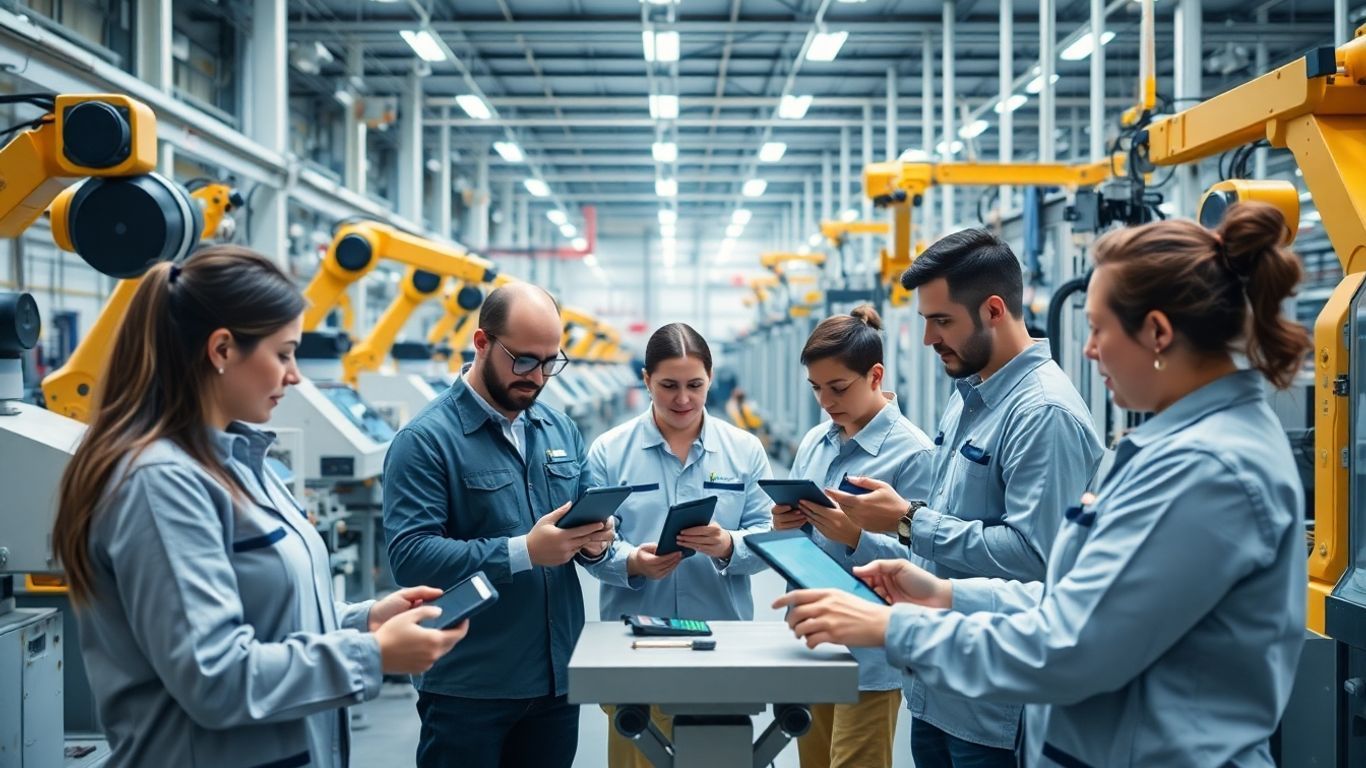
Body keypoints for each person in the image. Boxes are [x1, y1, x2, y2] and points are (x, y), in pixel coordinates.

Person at [776, 203, 1311, 766]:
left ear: (1157, 332)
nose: (1088, 350)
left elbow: (1072, 642)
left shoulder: (1207, 469)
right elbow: (1071, 595)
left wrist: (895, 626)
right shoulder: (1178, 448)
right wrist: (945, 594)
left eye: (1099, 329)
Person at [53, 246, 465, 768]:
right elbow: (214, 677)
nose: (295, 376)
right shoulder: (161, 484)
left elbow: (269, 614)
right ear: (222, 349)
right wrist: (374, 656)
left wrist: (364, 621)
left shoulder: (243, 461)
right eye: (284, 353)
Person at [826, 228, 1104, 767]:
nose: (928, 338)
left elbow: (1038, 557)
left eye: (942, 320)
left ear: (994, 310)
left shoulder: (1043, 414)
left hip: (994, 706)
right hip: (938, 684)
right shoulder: (969, 397)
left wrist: (908, 520)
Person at [383, 283, 614, 768]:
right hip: (471, 687)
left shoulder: (559, 428)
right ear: (481, 342)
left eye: (551, 361)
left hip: (555, 679)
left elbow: (581, 523)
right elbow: (410, 556)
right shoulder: (426, 440)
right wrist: (524, 551)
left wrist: (594, 542)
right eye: (524, 360)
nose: (538, 376)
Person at [580, 322, 774, 768]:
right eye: (668, 385)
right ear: (646, 380)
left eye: (695, 385)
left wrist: (729, 546)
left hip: (723, 642)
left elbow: (769, 532)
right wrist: (631, 561)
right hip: (632, 645)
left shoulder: (744, 451)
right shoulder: (609, 452)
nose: (683, 399)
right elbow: (590, 546)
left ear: (710, 378)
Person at [775, 306, 934, 768]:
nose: (826, 400)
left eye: (838, 387)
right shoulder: (814, 442)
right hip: (811, 642)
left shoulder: (913, 455)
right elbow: (800, 538)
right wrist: (784, 526)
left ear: (875, 375)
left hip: (871, 658)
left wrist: (854, 537)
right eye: (817, 389)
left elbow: (924, 565)